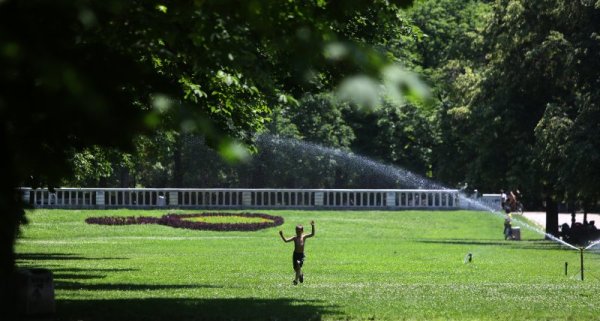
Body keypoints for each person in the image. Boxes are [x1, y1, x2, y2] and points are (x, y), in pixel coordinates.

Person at [279, 221, 315, 285]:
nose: (298, 232)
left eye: (299, 231)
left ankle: (295, 280)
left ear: (302, 231)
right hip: (295, 255)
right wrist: (282, 235)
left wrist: (312, 225)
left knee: (298, 264)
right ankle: (300, 275)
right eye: (296, 231)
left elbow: (312, 234)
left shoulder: (304, 237)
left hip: (301, 255)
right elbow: (286, 241)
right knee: (296, 269)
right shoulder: (294, 238)